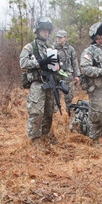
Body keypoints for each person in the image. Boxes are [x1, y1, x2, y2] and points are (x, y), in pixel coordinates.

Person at [20, 17, 61, 145]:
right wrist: (40, 62)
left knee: (49, 112)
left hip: (50, 82)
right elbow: (23, 63)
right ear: (37, 31)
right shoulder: (30, 47)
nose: (46, 33)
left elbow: (56, 67)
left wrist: (58, 66)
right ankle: (35, 139)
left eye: (48, 31)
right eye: (43, 30)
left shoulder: (51, 47)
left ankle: (45, 135)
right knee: (36, 112)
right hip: (38, 83)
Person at [53, 29, 80, 109]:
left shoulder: (70, 49)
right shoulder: (53, 48)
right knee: (55, 97)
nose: (58, 39)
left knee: (69, 97)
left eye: (60, 37)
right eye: (57, 37)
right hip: (56, 76)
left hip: (67, 76)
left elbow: (74, 62)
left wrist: (77, 75)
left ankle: (68, 113)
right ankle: (56, 116)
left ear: (65, 38)